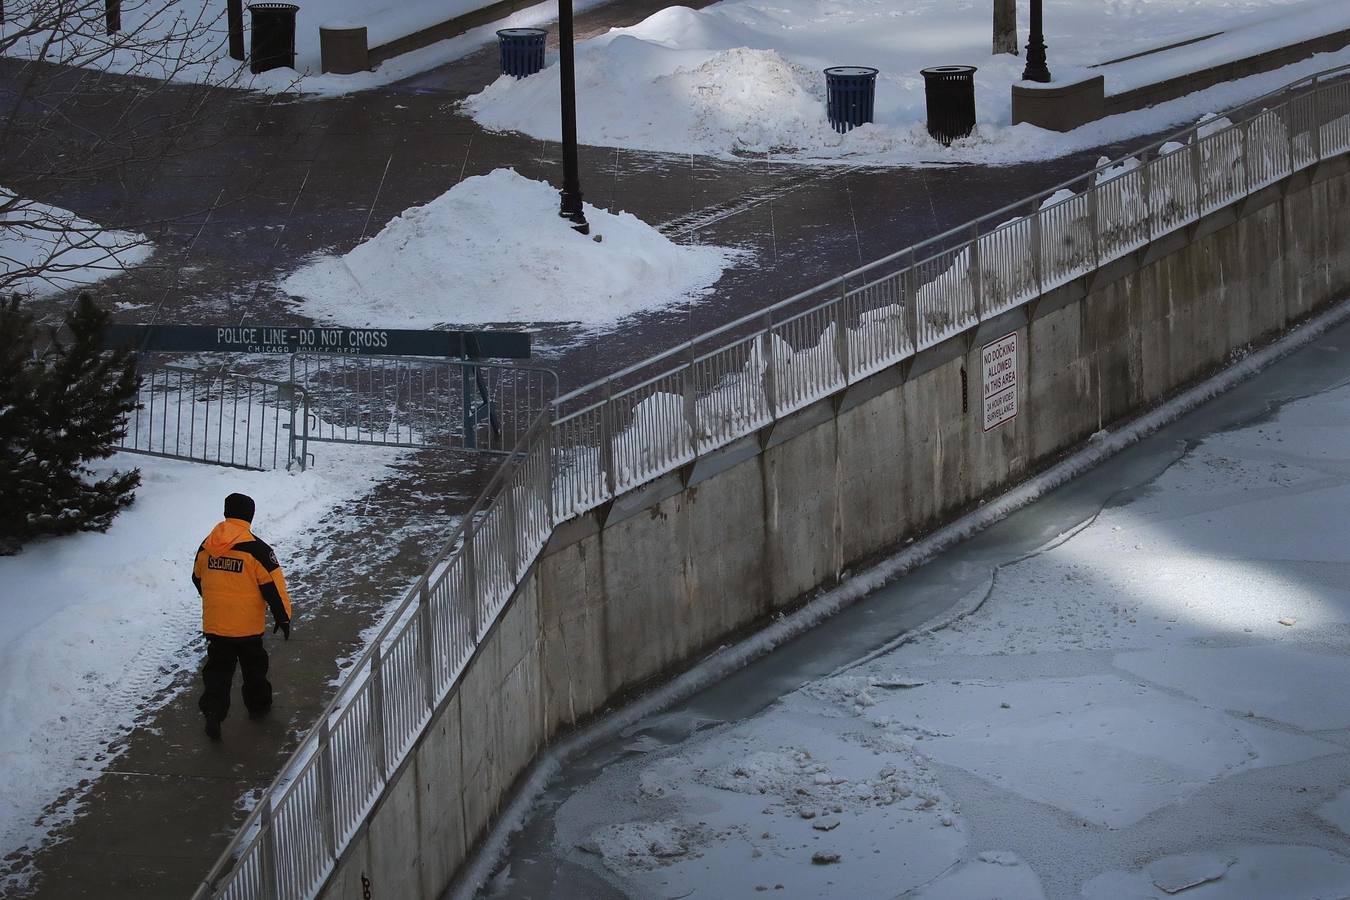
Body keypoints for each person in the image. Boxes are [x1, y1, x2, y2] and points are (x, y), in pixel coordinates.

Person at [191, 492, 292, 740]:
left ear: (226, 512)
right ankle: (259, 707)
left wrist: (215, 602)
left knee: (217, 673)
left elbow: (197, 578)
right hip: (247, 629)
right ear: (250, 515)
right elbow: (273, 589)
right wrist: (283, 617)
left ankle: (213, 712)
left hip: (217, 627)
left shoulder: (207, 546)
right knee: (254, 670)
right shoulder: (257, 550)